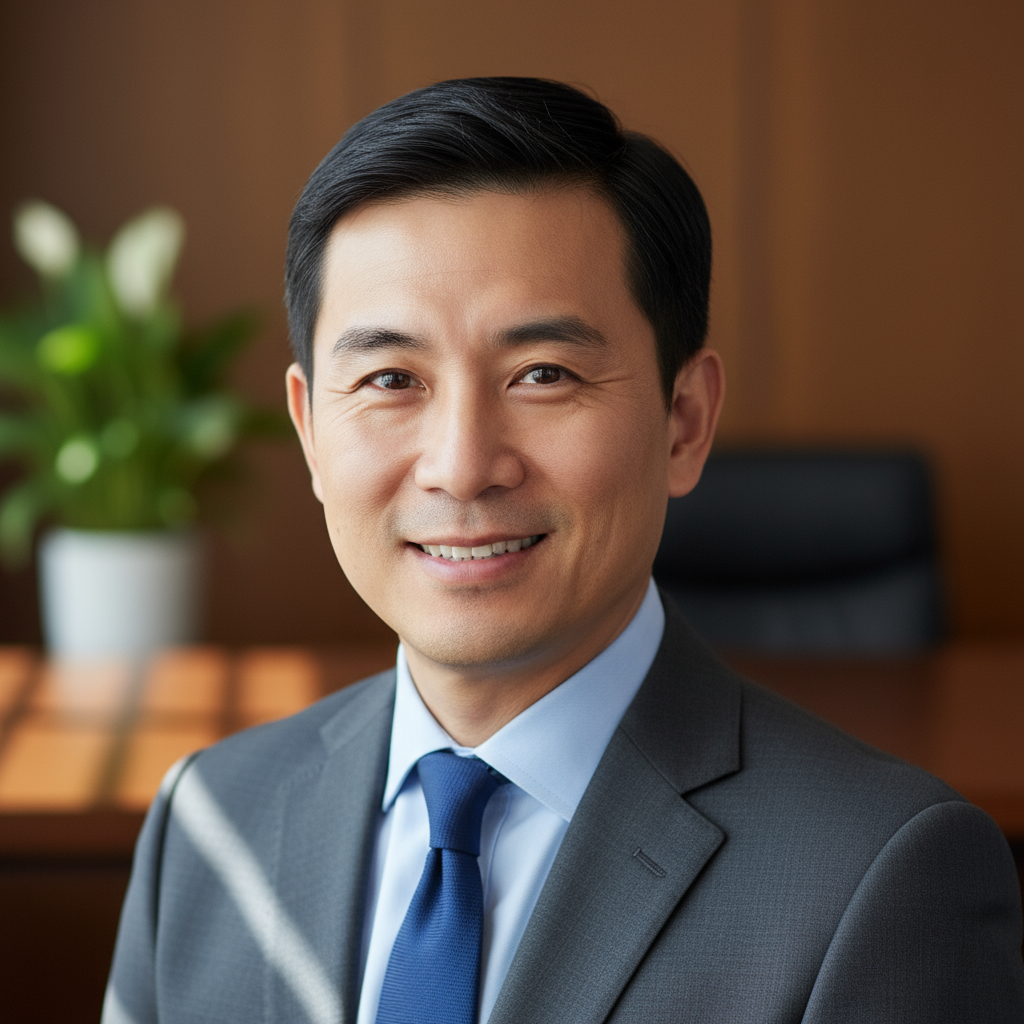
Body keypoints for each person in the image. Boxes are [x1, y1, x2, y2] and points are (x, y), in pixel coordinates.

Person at [103, 78, 1023, 1024]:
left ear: (684, 421)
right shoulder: (208, 820)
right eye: (389, 378)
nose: (462, 467)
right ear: (308, 433)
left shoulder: (885, 877)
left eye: (544, 374)